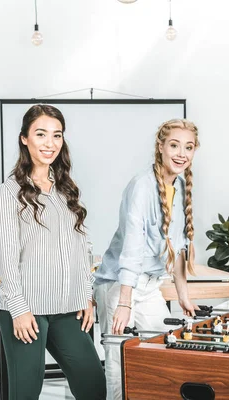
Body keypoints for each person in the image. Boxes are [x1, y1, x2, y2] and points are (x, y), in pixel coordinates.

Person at [0, 104, 106, 400]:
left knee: (93, 382)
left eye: (57, 136)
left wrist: (85, 294)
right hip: (27, 309)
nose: (50, 143)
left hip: (67, 307)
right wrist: (17, 308)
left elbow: (83, 247)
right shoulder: (9, 191)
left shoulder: (65, 188)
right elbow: (7, 257)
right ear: (24, 139)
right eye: (41, 134)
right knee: (26, 392)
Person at [94, 119, 200, 400]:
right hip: (118, 286)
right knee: (117, 363)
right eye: (174, 145)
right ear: (161, 147)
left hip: (149, 286)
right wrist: (125, 302)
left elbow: (177, 248)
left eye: (188, 147)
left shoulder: (178, 187)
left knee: (162, 352)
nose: (181, 153)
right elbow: (132, 247)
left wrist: (183, 297)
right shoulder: (142, 185)